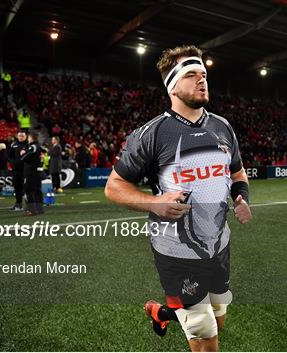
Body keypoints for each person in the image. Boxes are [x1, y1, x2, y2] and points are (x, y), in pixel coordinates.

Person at [105, 45, 252, 352]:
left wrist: (241, 198)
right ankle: (184, 314)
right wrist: (155, 203)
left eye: (204, 74)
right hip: (175, 250)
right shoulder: (152, 133)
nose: (202, 80)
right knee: (204, 333)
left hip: (218, 244)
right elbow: (114, 187)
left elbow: (238, 173)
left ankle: (161, 311)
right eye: (191, 75)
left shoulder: (222, 126)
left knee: (218, 318)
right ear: (172, 85)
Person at [20, 131, 43, 216]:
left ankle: (32, 210)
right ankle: (39, 209)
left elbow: (24, 157)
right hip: (37, 171)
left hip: (31, 172)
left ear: (32, 138)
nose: (28, 139)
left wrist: (23, 154)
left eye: (29, 138)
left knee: (29, 190)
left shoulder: (33, 146)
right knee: (37, 190)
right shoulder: (38, 146)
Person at [9, 131, 28, 211]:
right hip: (16, 170)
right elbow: (9, 156)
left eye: (23, 136)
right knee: (17, 188)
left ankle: (30, 206)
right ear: (17, 136)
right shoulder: (14, 145)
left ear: (26, 136)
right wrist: (12, 163)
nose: (21, 137)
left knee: (27, 188)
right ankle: (18, 204)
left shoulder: (29, 145)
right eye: (19, 136)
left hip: (26, 171)